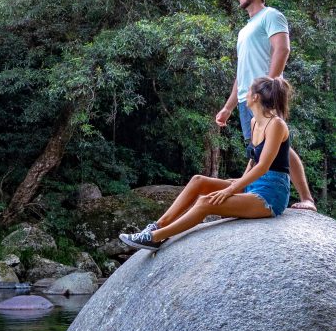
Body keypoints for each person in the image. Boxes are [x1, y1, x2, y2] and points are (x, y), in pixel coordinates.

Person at [119, 76, 293, 251]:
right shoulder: (255, 122)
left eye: (248, 91)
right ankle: (157, 226)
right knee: (198, 181)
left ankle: (156, 238)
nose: (245, 94)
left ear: (255, 97)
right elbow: (254, 159)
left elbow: (263, 166)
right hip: (254, 184)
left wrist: (230, 189)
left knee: (205, 202)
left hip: (270, 195)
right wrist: (239, 182)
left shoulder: (276, 125)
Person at [215, 0, 316, 211]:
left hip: (265, 95)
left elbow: (282, 49)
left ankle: (307, 199)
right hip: (246, 99)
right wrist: (229, 106)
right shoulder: (244, 29)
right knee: (257, 149)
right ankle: (247, 189)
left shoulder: (271, 16)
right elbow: (241, 72)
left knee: (281, 147)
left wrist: (268, 86)